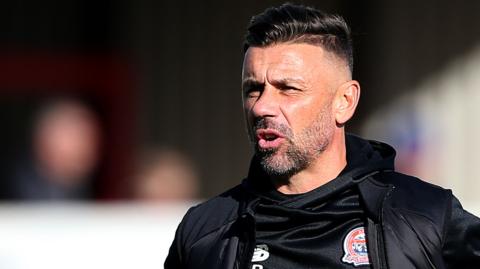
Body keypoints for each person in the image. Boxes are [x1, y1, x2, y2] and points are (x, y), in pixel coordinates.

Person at [165, 3, 480, 268]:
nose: (262, 107)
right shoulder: (204, 233)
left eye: (287, 88)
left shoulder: (425, 218)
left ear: (344, 102)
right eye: (253, 89)